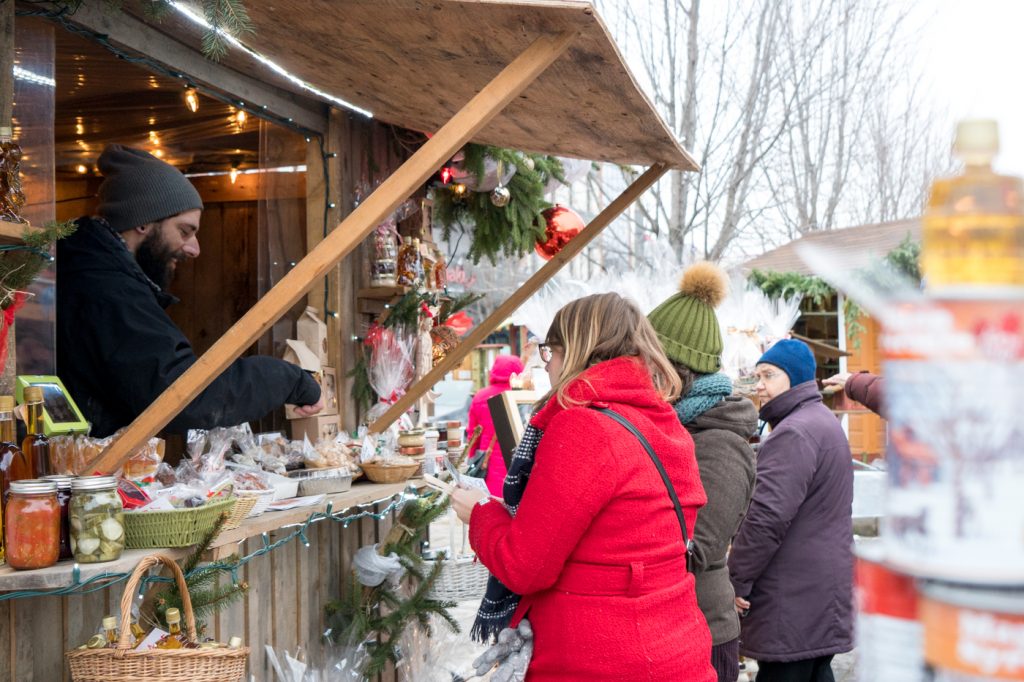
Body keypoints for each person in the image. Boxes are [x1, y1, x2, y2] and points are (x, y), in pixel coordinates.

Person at [451, 293, 715, 681]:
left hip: (601, 655)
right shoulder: (661, 419)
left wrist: (479, 514)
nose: (546, 366)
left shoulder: (584, 427)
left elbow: (524, 566)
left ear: (572, 350)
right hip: (673, 643)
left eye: (549, 352)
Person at [56, 144, 323, 438]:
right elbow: (182, 397)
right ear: (142, 221)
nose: (194, 249)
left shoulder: (92, 273)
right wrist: (290, 380)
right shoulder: (108, 289)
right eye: (184, 231)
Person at [647, 262, 757, 682]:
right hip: (671, 625)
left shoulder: (721, 443)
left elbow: (700, 549)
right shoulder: (674, 425)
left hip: (704, 633)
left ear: (678, 369)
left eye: (649, 362)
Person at [728, 339, 854, 682]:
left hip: (793, 597)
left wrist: (736, 580)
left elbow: (765, 518)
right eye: (757, 376)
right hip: (819, 590)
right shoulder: (822, 422)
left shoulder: (794, 433)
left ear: (795, 378)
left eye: (768, 375)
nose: (759, 385)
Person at [466, 354, 525, 496]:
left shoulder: (480, 396)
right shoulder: (523, 396)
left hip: (488, 465)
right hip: (517, 465)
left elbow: (473, 434)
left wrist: (471, 458)